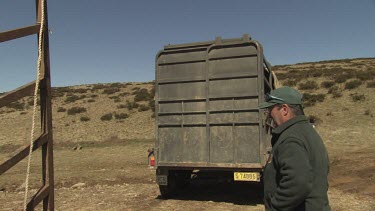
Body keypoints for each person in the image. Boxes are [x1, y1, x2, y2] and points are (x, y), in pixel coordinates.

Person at [259, 86, 330, 211]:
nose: (269, 115)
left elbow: (298, 182)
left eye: (271, 109)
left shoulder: (290, 138)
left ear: (284, 110)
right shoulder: (306, 132)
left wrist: (276, 206)